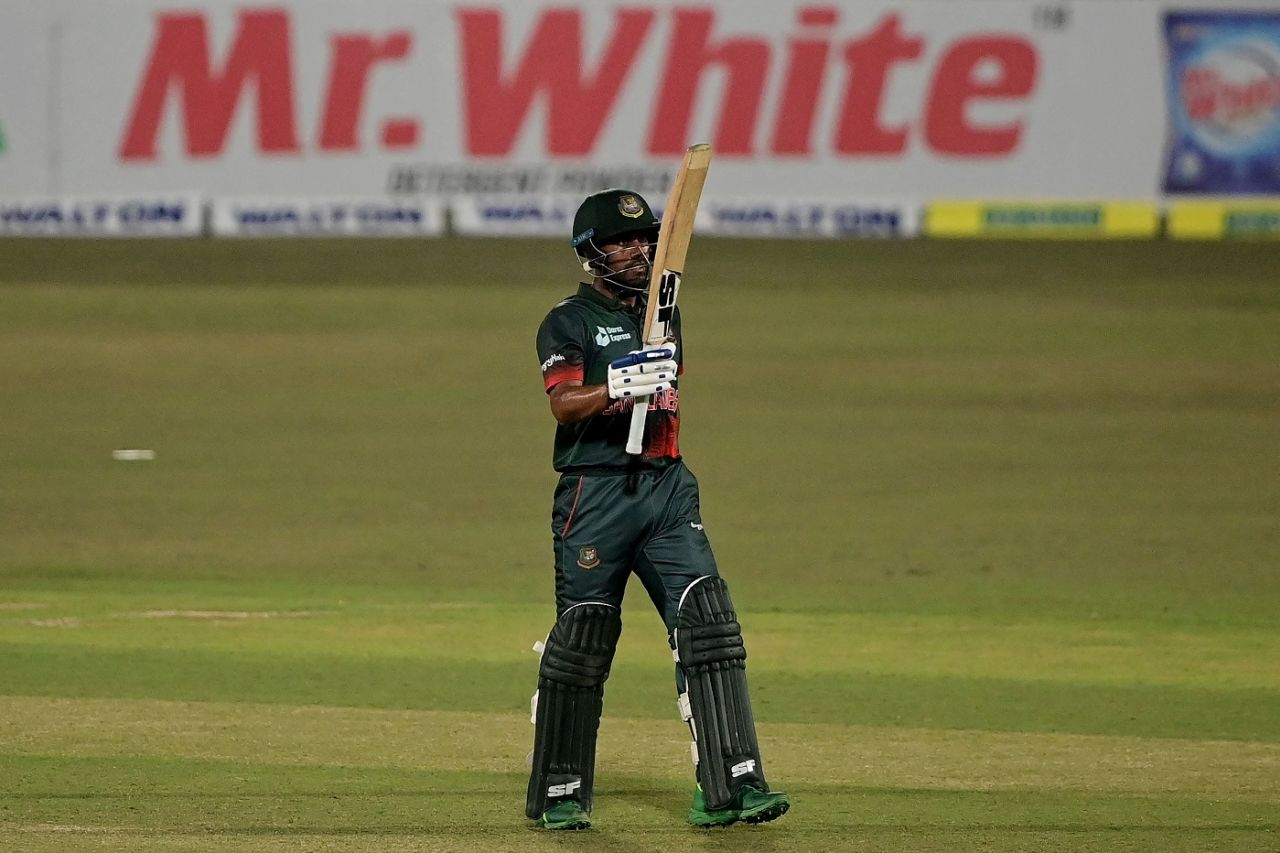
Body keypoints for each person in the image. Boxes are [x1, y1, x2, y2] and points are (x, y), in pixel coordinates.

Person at [525, 188, 790, 830]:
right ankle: (560, 791)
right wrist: (615, 386)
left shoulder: (662, 314)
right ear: (591, 252)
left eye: (645, 239)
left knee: (709, 624)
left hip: (666, 487)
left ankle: (733, 784)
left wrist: (644, 380)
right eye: (622, 241)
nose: (639, 249)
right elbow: (562, 404)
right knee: (585, 637)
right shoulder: (568, 320)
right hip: (596, 493)